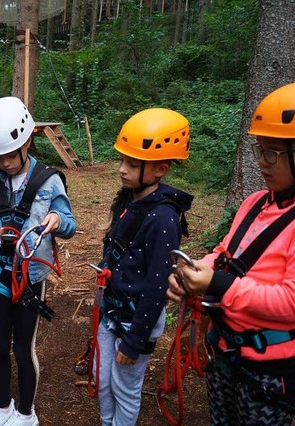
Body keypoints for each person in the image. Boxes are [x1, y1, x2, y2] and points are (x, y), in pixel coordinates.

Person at [167, 82, 295, 425]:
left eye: (273, 152)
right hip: (225, 349)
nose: (262, 162)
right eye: (260, 150)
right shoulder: (255, 203)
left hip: (270, 368)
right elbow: (225, 253)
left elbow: (294, 303)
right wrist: (195, 273)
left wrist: (219, 285)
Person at [0, 96, 77, 426]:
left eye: (10, 156)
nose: (5, 163)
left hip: (31, 276)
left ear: (27, 141)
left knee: (22, 349)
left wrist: (58, 220)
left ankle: (27, 415)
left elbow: (70, 223)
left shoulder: (48, 180)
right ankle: (2, 407)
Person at [96, 108, 193, 425]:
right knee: (103, 379)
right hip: (112, 312)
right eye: (123, 160)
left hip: (135, 320)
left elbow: (157, 286)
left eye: (133, 164)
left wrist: (136, 339)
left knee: (125, 388)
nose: (122, 169)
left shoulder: (163, 218)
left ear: (161, 168)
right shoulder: (130, 200)